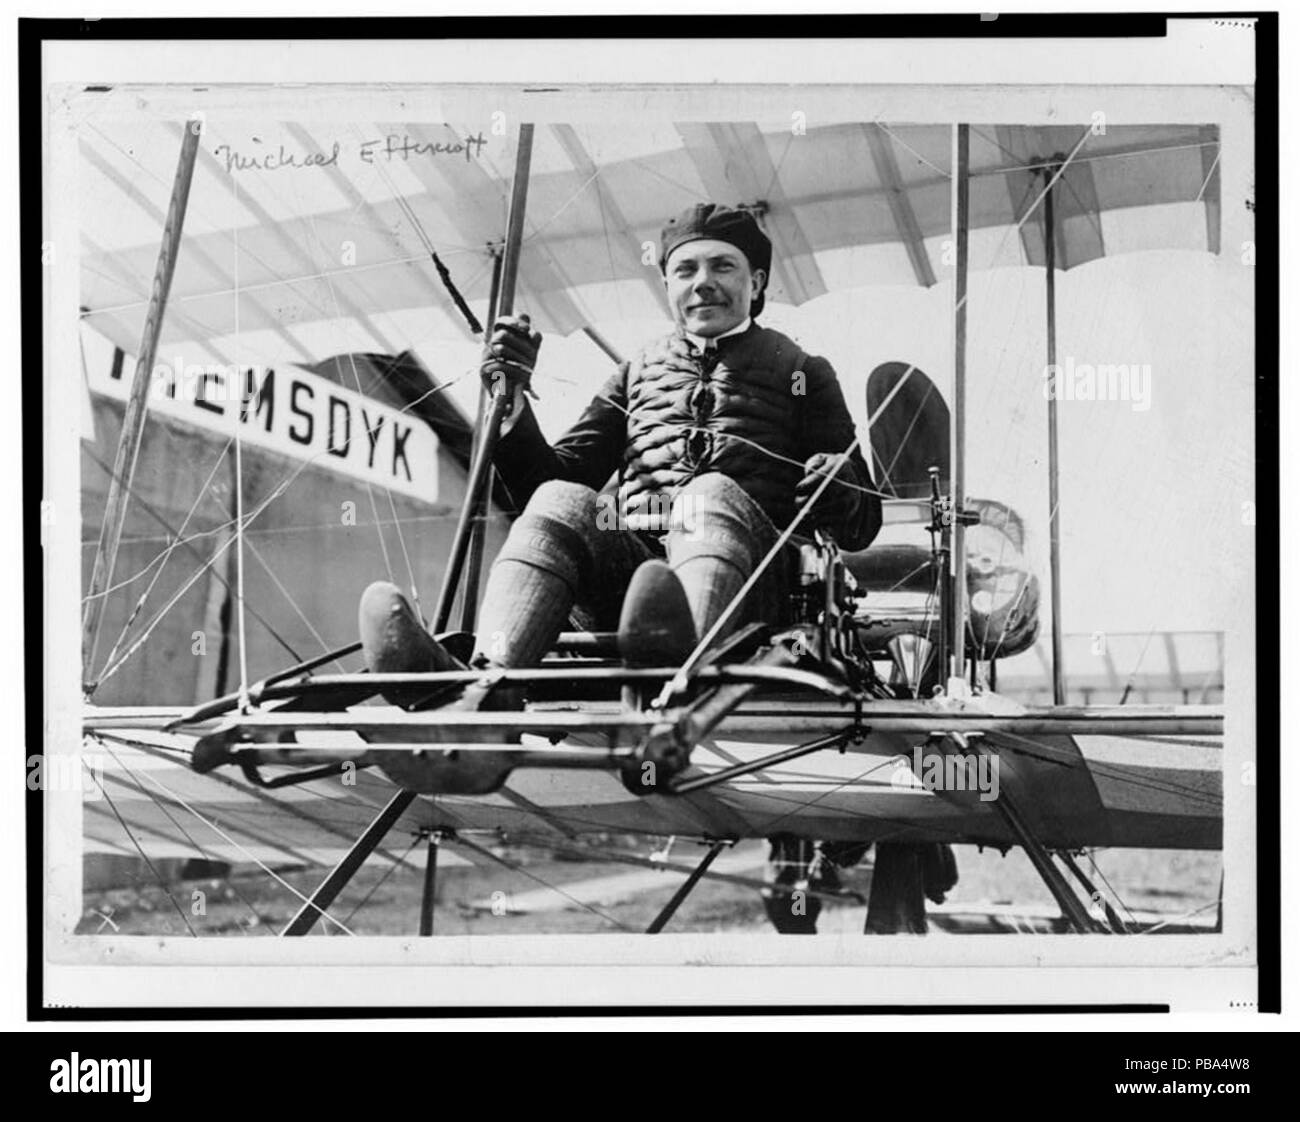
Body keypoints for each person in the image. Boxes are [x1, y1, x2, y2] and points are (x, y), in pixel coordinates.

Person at [359, 203, 882, 760]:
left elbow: (863, 523)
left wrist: (841, 480)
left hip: (757, 605)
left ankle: (682, 693)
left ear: (756, 283)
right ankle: (482, 695)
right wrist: (509, 401)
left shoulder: (803, 371)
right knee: (562, 501)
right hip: (635, 601)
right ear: (667, 287)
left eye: (722, 267)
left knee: (706, 495)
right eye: (685, 270)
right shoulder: (636, 374)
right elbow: (550, 482)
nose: (703, 283)